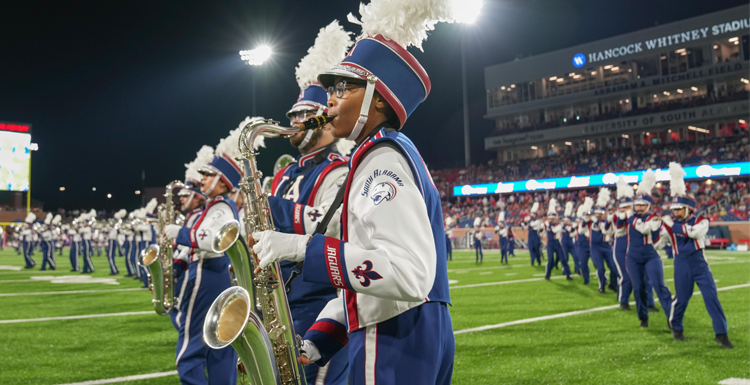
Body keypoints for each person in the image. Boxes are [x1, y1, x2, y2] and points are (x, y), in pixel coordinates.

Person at [251, 2, 456, 382]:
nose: (330, 98)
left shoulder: (382, 160)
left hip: (398, 335)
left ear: (379, 98)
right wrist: (318, 340)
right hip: (404, 327)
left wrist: (298, 247)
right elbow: (373, 277)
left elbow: (407, 274)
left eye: (343, 87)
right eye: (331, 88)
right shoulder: (380, 154)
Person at [261, 22, 354, 385]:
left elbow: (323, 226)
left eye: (304, 114)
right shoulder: (285, 175)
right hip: (279, 301)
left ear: (325, 118)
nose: (295, 122)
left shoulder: (340, 171)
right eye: (293, 116)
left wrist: (272, 207)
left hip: (320, 304)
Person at [163, 128, 243, 385]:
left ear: (222, 181)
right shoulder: (219, 206)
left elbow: (216, 240)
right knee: (219, 352)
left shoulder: (221, 206)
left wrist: (180, 233)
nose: (203, 180)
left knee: (190, 351)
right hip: (216, 276)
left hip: (207, 274)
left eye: (209, 175)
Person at [662, 162, 733, 348]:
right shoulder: (670, 224)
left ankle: (721, 333)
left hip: (699, 263)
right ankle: (676, 326)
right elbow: (660, 240)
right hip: (681, 264)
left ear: (689, 209)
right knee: (682, 299)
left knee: (711, 297)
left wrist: (673, 226)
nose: (676, 213)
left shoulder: (702, 220)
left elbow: (693, 233)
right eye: (674, 210)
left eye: (679, 209)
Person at [617, 170, 673, 328]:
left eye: (643, 205)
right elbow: (617, 231)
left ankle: (672, 318)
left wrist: (630, 218)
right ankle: (643, 317)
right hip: (633, 257)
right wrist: (618, 219)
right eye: (637, 205)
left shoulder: (653, 218)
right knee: (638, 288)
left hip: (650, 256)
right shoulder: (631, 218)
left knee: (659, 285)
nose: (640, 207)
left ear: (649, 206)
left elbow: (644, 229)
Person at [589, 188, 616, 294]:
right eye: (597, 212)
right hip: (595, 247)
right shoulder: (592, 221)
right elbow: (603, 229)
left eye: (601, 212)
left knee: (614, 267)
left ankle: (613, 284)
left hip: (607, 245)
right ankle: (602, 286)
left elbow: (608, 230)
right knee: (600, 268)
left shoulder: (607, 220)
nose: (599, 214)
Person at [544, 199, 572, 280]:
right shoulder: (547, 224)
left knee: (563, 259)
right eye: (550, 219)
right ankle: (547, 275)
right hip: (550, 244)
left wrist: (549, 226)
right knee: (550, 260)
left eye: (553, 219)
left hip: (557, 243)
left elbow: (554, 230)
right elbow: (543, 231)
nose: (551, 220)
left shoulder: (558, 225)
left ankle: (568, 274)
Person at [576, 198, 594, 285]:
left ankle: (603, 278)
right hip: (582, 246)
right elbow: (581, 231)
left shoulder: (593, 222)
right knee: (583, 264)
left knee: (597, 264)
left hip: (591, 245)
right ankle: (586, 279)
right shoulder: (580, 223)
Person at [562, 202, 579, 275]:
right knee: (565, 258)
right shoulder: (563, 226)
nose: (566, 221)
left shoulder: (570, 224)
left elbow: (574, 232)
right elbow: (571, 230)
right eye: (565, 220)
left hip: (571, 243)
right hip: (565, 244)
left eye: (567, 220)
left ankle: (577, 269)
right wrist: (573, 225)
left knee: (576, 256)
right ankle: (565, 270)